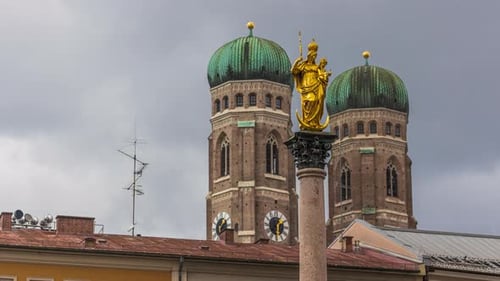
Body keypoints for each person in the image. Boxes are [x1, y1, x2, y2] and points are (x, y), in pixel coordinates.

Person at [291, 40, 330, 131]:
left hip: (316, 86)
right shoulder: (303, 66)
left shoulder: (317, 67)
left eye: (315, 56)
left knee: (317, 100)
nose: (313, 58)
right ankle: (307, 121)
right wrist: (297, 61)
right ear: (309, 56)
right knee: (310, 100)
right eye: (312, 56)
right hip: (306, 87)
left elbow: (322, 75)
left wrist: (324, 78)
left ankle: (314, 123)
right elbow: (293, 71)